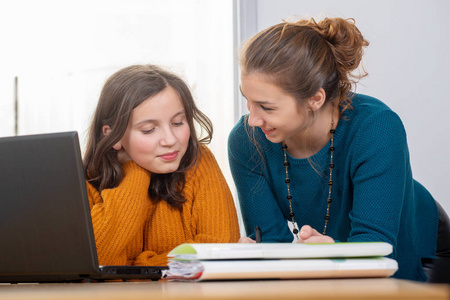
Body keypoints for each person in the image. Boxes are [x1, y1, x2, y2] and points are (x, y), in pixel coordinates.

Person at [228, 17, 450, 282]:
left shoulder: (376, 127)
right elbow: (271, 244)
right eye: (248, 101)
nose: (252, 119)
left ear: (315, 99)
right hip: (345, 256)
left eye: (267, 107)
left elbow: (377, 253)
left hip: (416, 244)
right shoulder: (245, 140)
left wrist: (327, 255)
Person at [83, 64, 240, 266]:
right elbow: (92, 262)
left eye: (177, 123)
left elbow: (220, 247)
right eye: (149, 130)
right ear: (112, 135)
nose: (170, 139)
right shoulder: (87, 182)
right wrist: (136, 172)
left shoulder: (198, 161)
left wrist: (138, 267)